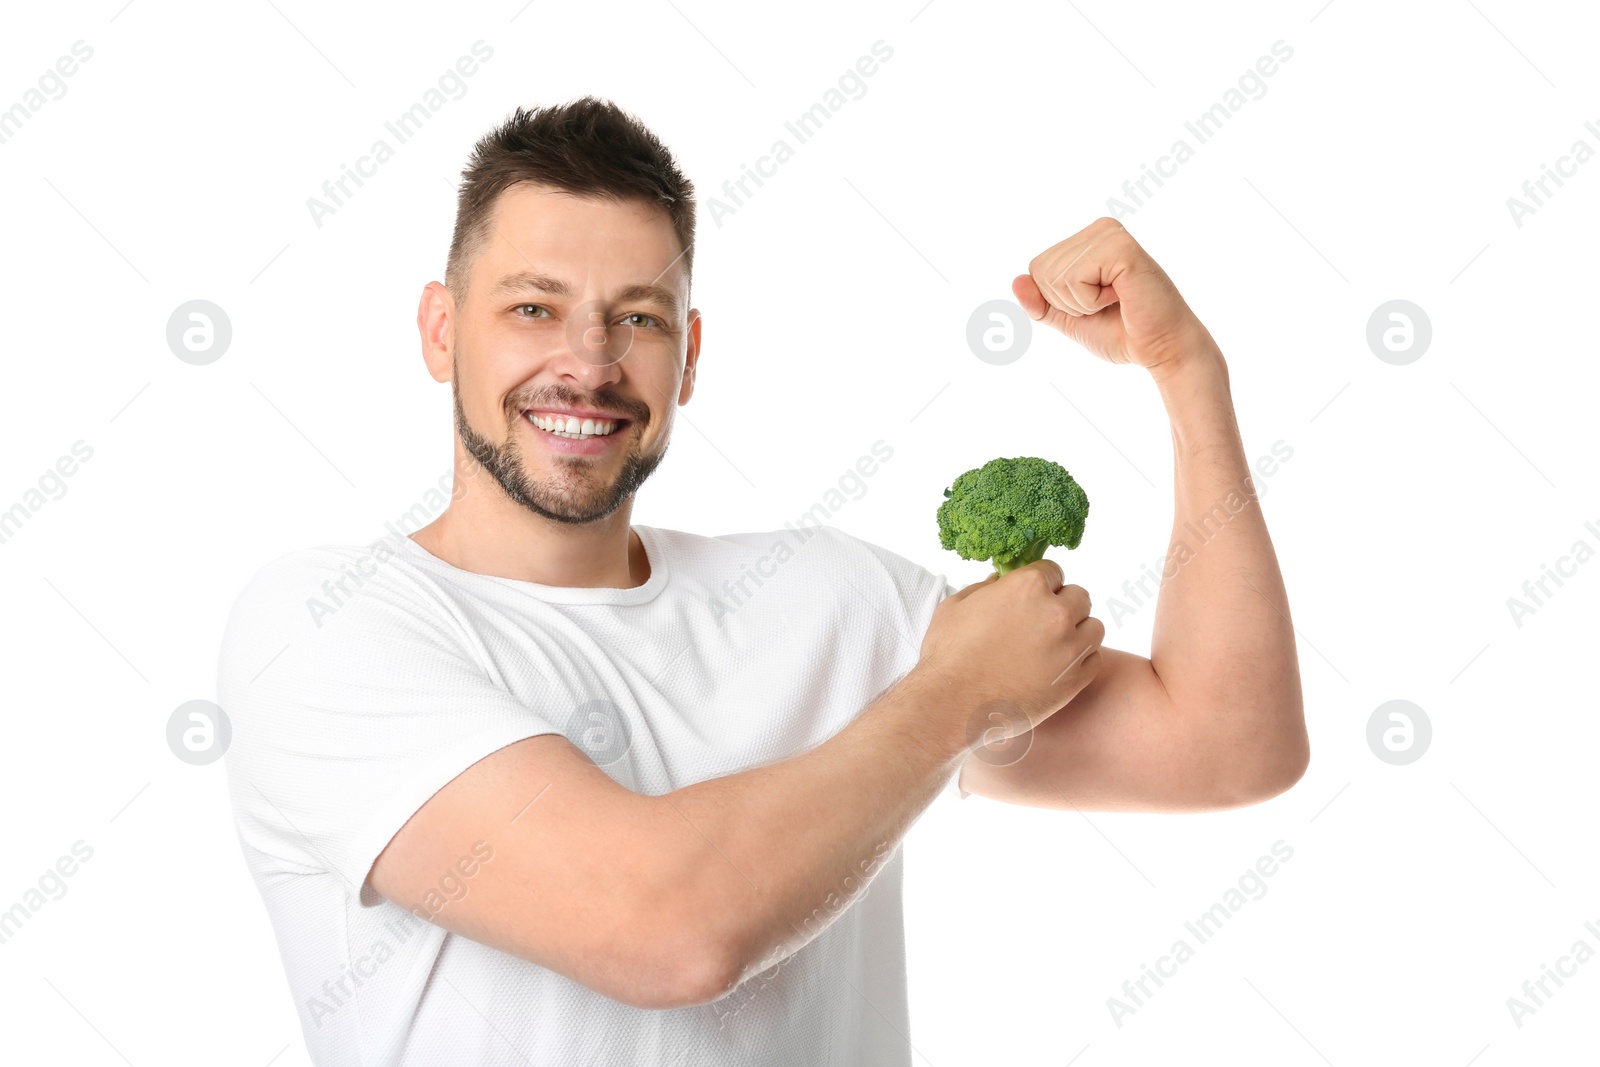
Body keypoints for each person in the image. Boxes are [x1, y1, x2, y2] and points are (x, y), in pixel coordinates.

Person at [217, 95, 1308, 1066]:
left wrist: (1186, 375)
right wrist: (949, 699)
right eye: (533, 306)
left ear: (689, 355)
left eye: (637, 317)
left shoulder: (832, 599)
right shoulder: (323, 629)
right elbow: (666, 929)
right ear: (441, 331)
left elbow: (1230, 744)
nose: (589, 361)